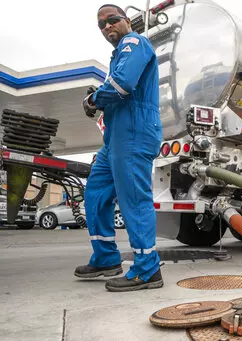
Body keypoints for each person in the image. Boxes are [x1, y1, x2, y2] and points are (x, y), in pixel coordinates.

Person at [75, 4, 163, 292]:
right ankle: (106, 258)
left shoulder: (135, 42)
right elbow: (116, 86)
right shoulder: (119, 54)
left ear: (127, 21)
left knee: (134, 200)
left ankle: (147, 269)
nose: (107, 26)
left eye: (112, 20)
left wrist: (93, 100)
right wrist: (100, 98)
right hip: (115, 138)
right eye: (101, 25)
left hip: (134, 134)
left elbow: (122, 84)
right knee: (96, 192)